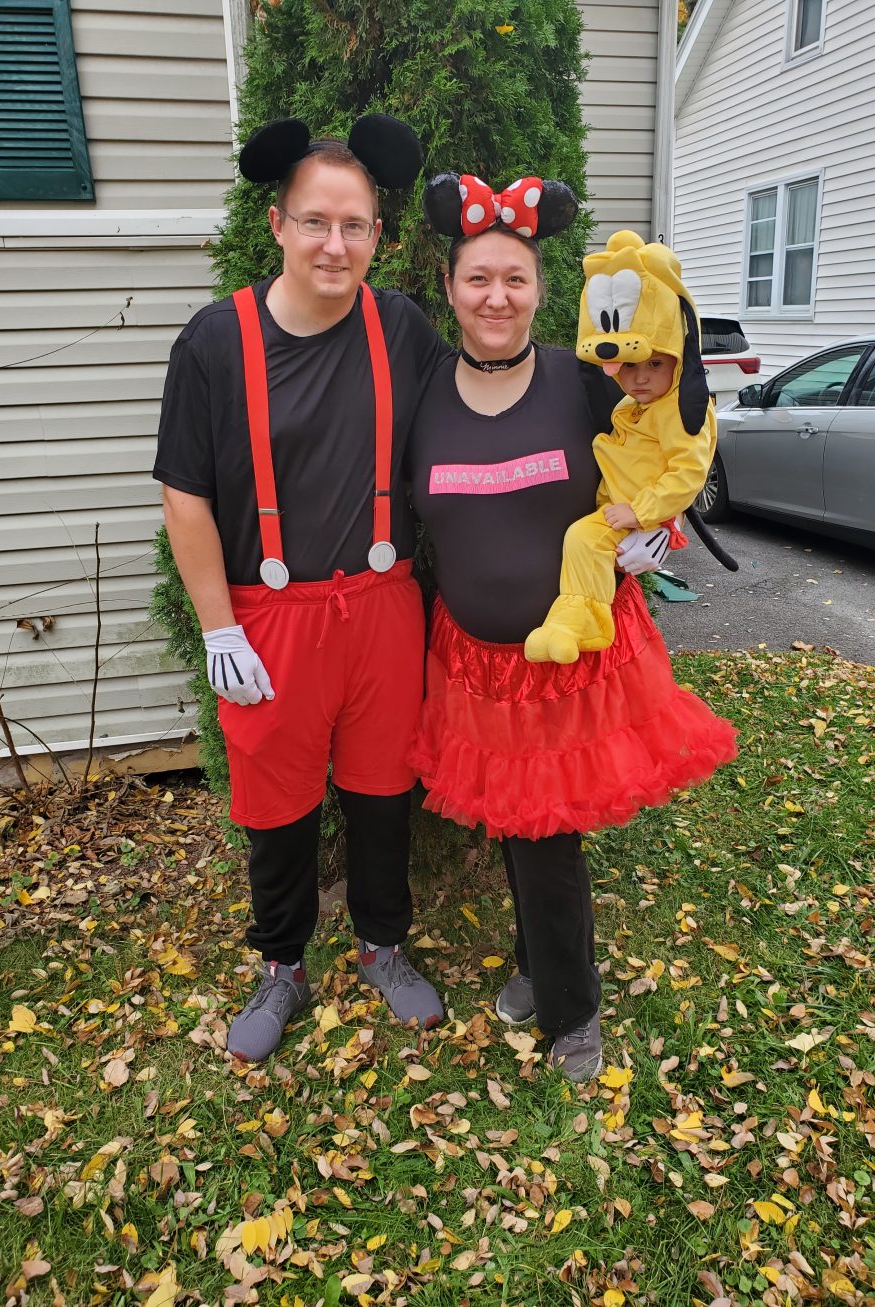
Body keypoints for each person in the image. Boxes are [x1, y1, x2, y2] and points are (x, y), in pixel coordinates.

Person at [407, 171, 738, 1081]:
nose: (497, 296)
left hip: (572, 650)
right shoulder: (424, 393)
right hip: (475, 664)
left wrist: (664, 529)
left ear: (540, 289)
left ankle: (572, 1004)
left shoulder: (583, 380)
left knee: (546, 835)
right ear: (449, 287)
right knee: (518, 826)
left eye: (515, 278)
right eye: (478, 278)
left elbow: (674, 435)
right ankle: (535, 961)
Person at [153, 116, 453, 1061]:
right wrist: (217, 629)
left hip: (383, 609)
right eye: (316, 221)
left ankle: (382, 944)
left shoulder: (400, 328)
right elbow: (184, 496)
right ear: (277, 224)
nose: (335, 243)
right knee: (276, 806)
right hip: (268, 621)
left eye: (354, 225)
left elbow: (482, 417)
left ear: (378, 236)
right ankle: (282, 963)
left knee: (382, 792)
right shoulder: (215, 342)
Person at [525, 232, 717, 663]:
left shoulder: (678, 409)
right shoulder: (631, 403)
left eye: (655, 363)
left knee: (583, 539)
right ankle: (572, 622)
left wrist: (650, 515)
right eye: (629, 365)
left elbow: (689, 471)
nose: (641, 377)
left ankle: (583, 621)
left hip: (634, 513)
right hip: (617, 509)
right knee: (583, 543)